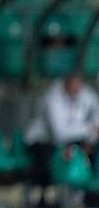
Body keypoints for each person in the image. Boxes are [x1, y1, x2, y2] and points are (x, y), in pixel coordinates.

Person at [25, 73, 99, 206]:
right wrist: (88, 129)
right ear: (67, 83)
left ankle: (87, 194)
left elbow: (94, 114)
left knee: (90, 153)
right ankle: (45, 199)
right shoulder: (53, 97)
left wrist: (89, 137)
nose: (78, 89)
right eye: (74, 85)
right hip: (42, 142)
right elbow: (60, 133)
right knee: (51, 160)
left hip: (71, 141)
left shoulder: (83, 94)